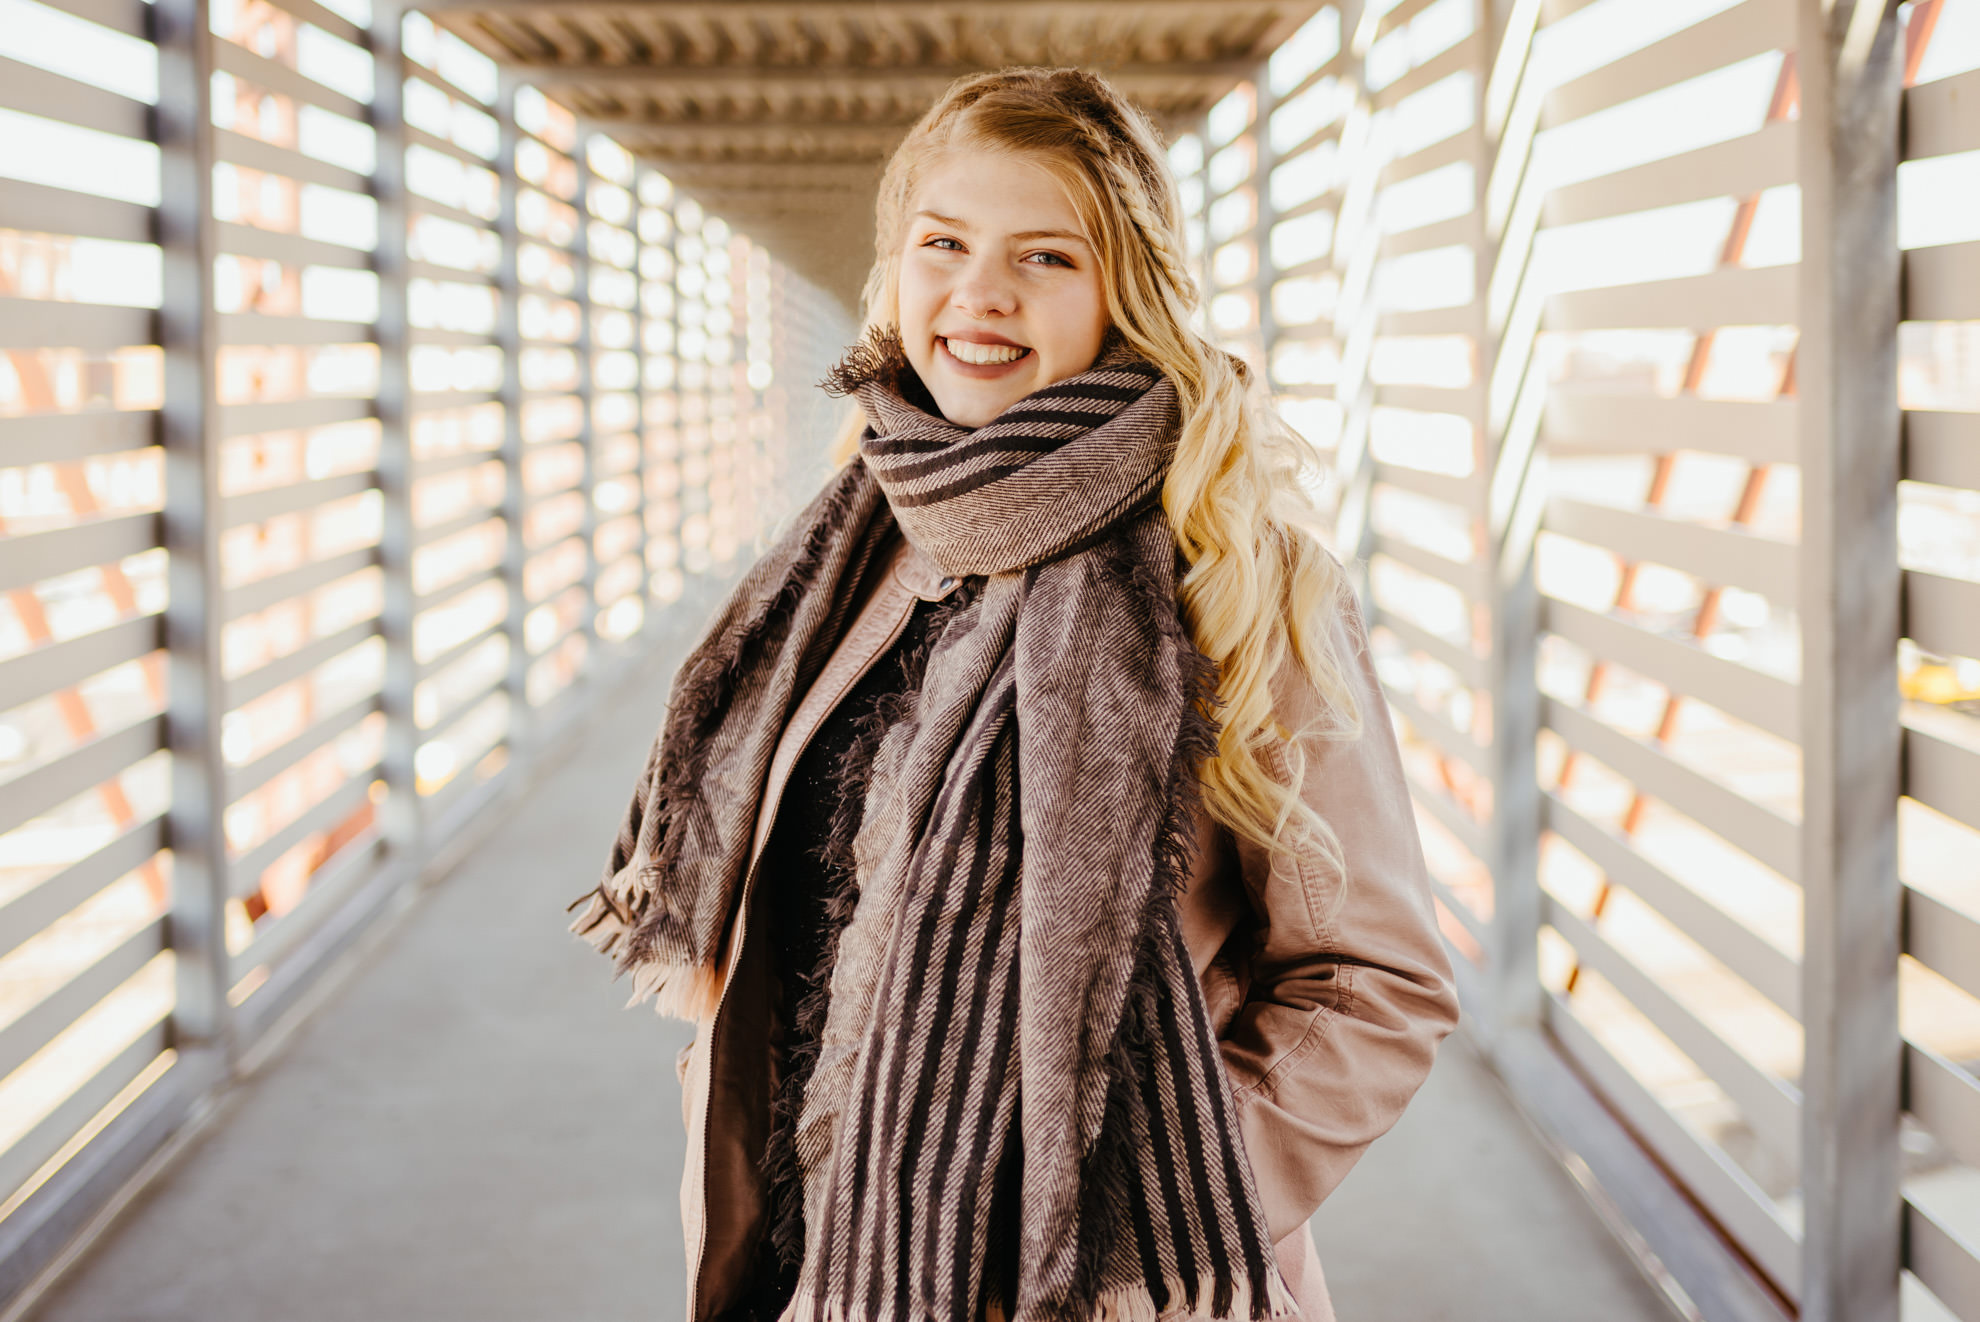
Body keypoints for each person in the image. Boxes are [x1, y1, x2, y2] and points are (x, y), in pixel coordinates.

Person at [565, 66, 1461, 1322]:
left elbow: (1377, 980)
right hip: (823, 1265)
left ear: (1124, 294)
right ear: (895, 270)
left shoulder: (1236, 578)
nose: (980, 293)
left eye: (1044, 256)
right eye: (944, 243)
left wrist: (1124, 1236)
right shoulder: (847, 554)